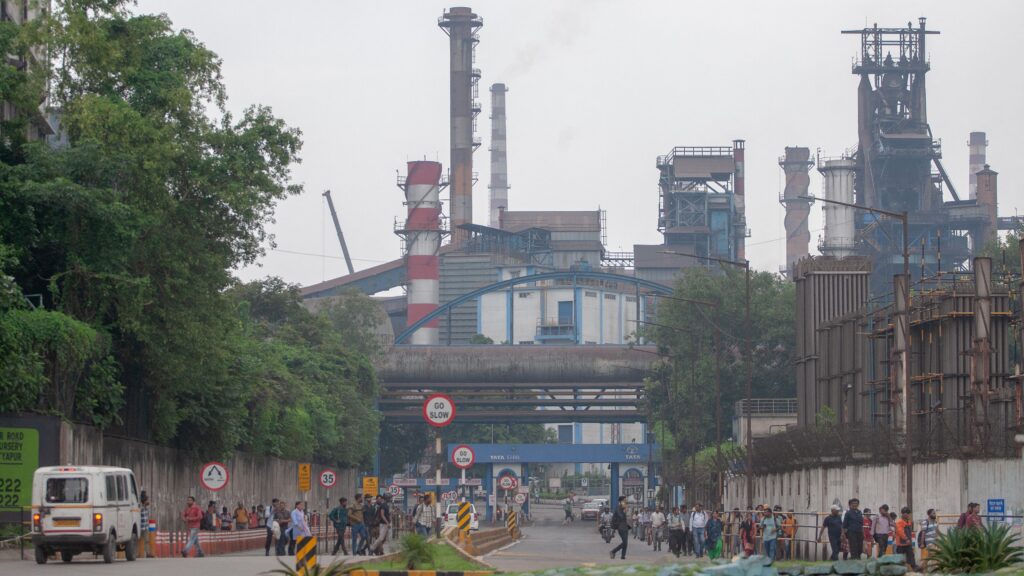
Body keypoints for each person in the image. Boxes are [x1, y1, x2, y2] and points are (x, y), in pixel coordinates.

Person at [609, 496, 632, 560]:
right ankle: (613, 551)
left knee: (625, 542)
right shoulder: (618, 508)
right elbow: (621, 516)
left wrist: (625, 510)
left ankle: (623, 556)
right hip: (621, 527)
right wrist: (624, 510)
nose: (625, 501)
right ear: (621, 501)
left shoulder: (623, 508)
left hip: (625, 527)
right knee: (625, 542)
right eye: (624, 500)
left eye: (626, 500)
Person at [138, 491, 152, 558]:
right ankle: (136, 554)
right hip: (140, 527)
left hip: (145, 527)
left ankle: (148, 553)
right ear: (144, 501)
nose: (148, 502)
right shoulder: (140, 508)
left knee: (147, 540)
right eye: (147, 500)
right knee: (138, 541)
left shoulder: (146, 508)